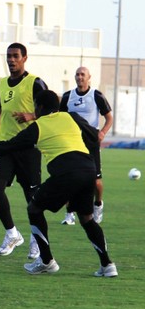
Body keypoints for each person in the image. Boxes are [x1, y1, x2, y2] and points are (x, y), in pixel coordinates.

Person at [0, 90, 117, 276]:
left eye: (35, 105)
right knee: (87, 219)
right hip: (88, 169)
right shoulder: (72, 117)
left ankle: (46, 260)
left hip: (66, 172)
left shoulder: (38, 126)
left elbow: (9, 145)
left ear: (40, 107)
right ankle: (107, 265)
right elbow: (94, 136)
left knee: (34, 209)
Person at [0, 43, 48, 259]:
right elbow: (2, 112)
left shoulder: (35, 82)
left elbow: (52, 108)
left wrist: (32, 116)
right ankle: (12, 234)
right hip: (4, 145)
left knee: (32, 199)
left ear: (25, 58)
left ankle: (36, 239)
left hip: (28, 147)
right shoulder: (2, 83)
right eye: (9, 56)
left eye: (16, 56)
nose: (11, 60)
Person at [59, 66, 113, 225]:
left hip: (90, 141)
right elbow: (59, 117)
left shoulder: (96, 95)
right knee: (69, 178)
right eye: (77, 74)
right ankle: (69, 213)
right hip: (72, 141)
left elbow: (109, 117)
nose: (80, 77)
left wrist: (102, 133)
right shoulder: (68, 96)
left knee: (96, 181)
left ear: (89, 77)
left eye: (83, 74)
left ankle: (98, 205)